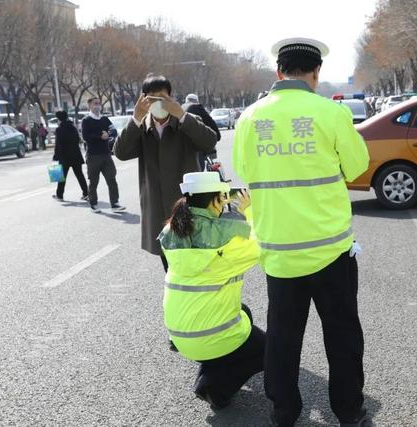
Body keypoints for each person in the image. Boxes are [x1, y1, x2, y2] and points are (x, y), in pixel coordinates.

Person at [232, 38, 370, 427]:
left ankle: (284, 411)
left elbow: (245, 169)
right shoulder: (330, 113)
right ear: (315, 74)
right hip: (330, 250)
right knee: (342, 336)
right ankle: (347, 410)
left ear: (279, 72)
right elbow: (358, 166)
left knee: (282, 338)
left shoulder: (249, 118)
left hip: (279, 251)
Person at [158, 171, 265, 409]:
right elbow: (263, 244)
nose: (227, 200)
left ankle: (213, 369)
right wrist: (248, 210)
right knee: (269, 351)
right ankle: (216, 387)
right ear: (216, 200)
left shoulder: (170, 231)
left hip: (179, 335)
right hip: (209, 336)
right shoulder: (227, 235)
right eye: (224, 196)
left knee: (243, 311)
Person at [113, 74, 217, 273]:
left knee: (194, 265)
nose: (157, 102)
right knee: (169, 266)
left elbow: (209, 141)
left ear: (171, 97)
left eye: (162, 97)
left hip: (187, 206)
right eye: (152, 97)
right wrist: (135, 117)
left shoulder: (186, 121)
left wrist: (182, 115)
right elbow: (121, 152)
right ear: (143, 99)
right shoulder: (141, 127)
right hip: (158, 208)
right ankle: (177, 302)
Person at [81, 97, 125, 213]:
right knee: (93, 182)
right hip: (93, 156)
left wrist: (108, 135)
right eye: (95, 104)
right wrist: (100, 137)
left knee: (112, 179)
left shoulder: (105, 119)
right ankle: (93, 204)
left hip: (106, 155)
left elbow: (113, 131)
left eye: (99, 103)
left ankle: (115, 203)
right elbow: (85, 137)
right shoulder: (86, 120)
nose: (98, 106)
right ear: (90, 105)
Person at [52, 110, 89, 202]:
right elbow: (78, 139)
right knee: (80, 175)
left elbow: (58, 144)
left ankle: (59, 195)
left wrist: (56, 156)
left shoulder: (59, 129)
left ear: (58, 119)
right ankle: (86, 193)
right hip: (76, 155)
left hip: (64, 156)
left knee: (61, 177)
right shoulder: (73, 127)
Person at [183, 93, 220, 170]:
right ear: (197, 101)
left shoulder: (181, 108)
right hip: (195, 144)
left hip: (182, 146)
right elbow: (210, 122)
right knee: (200, 168)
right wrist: (217, 135)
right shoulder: (197, 107)